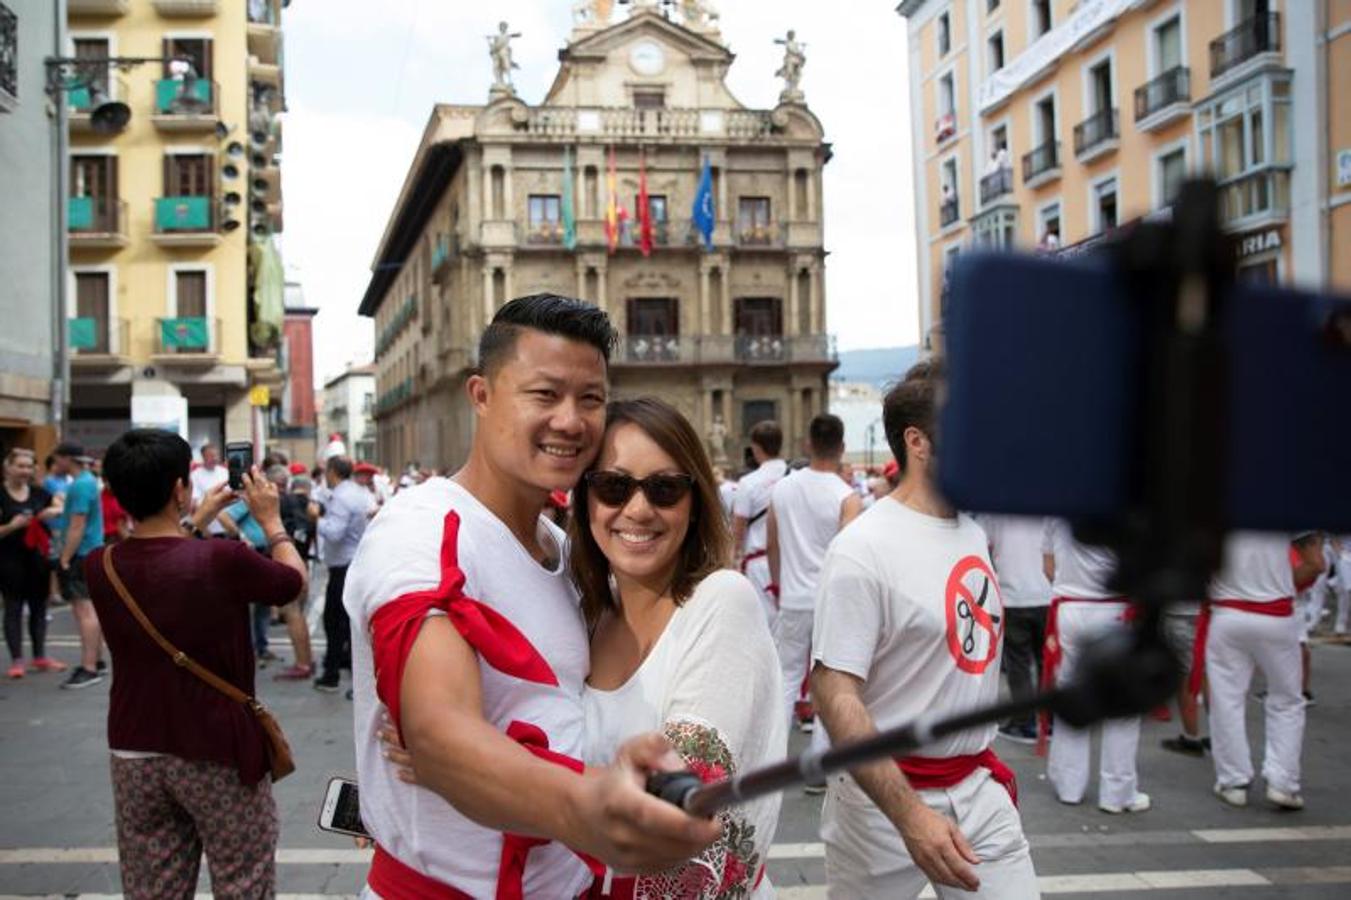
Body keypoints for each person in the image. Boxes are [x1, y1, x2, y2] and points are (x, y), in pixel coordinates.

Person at [343, 294, 719, 897]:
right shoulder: (422, 533)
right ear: (481, 396)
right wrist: (582, 803)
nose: (571, 421)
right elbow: (438, 733)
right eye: (544, 395)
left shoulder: (567, 550)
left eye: (590, 399)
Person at [811, 363, 1037, 898]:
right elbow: (833, 689)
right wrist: (910, 816)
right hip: (879, 808)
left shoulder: (974, 534)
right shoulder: (861, 549)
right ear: (918, 442)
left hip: (980, 791)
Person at [573, 397, 786, 896]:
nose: (638, 509)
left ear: (694, 506)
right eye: (613, 486)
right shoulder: (580, 616)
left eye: (665, 489)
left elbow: (684, 808)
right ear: (585, 500)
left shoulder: (722, 601)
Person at [83, 429, 306, 898]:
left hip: (134, 749)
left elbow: (156, 558)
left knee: (152, 887)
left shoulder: (100, 565)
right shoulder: (221, 558)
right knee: (242, 879)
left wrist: (194, 519)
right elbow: (292, 583)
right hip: (217, 748)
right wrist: (271, 522)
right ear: (179, 489)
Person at [1041, 518, 1149, 814]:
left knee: (1070, 695)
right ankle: (1117, 791)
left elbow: (1048, 567)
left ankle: (1069, 784)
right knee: (1123, 703)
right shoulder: (1122, 507)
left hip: (1070, 608)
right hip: (1113, 610)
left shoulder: (1055, 511)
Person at [1202, 531, 1310, 810]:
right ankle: (1283, 782)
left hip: (1228, 614)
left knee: (1226, 700)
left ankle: (1233, 780)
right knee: (1287, 701)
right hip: (1276, 616)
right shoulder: (1284, 505)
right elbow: (1314, 562)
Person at [767, 413, 860, 732]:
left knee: (786, 680)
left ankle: (772, 763)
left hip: (793, 597)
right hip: (830, 600)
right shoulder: (847, 497)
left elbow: (772, 545)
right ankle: (822, 770)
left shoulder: (782, 489)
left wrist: (779, 585)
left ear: (808, 444)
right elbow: (848, 557)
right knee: (829, 683)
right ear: (842, 447)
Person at [978, 515, 1051, 745]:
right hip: (1047, 592)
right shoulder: (1050, 501)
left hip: (1013, 594)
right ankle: (1047, 719)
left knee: (1018, 664)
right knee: (1045, 661)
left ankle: (1024, 721)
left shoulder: (996, 506)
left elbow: (982, 541)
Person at [1, 449, 65, 678]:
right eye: (20, 466)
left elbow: (60, 506)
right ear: (8, 467)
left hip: (38, 559)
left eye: (29, 467)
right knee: (13, 608)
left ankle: (40, 656)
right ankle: (17, 659)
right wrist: (11, 526)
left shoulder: (39, 493)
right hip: (9, 561)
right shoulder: (2, 495)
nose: (25, 471)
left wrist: (52, 511)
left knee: (39, 607)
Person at [310, 456, 372, 692]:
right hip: (353, 561)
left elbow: (334, 532)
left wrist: (317, 519)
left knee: (334, 622)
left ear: (333, 472)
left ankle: (332, 673)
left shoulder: (342, 497)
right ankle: (346, 664)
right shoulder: (356, 493)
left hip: (343, 566)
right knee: (347, 621)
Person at [53, 442, 107, 690]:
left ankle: (89, 667)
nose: (56, 463)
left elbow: (78, 524)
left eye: (58, 458)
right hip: (90, 550)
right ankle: (95, 661)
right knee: (91, 609)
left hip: (81, 553)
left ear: (67, 459)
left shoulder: (81, 484)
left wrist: (65, 557)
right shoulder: (87, 481)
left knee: (84, 610)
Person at [732, 421, 788, 627]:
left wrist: (733, 560)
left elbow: (738, 529)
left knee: (763, 625)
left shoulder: (749, 483)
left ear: (755, 448)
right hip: (792, 560)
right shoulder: (795, 476)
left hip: (759, 564)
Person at [218, 484, 280, 665]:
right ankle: (251, 650)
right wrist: (241, 536)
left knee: (263, 604)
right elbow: (224, 515)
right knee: (251, 605)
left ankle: (261, 647)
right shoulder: (248, 501)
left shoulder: (262, 502)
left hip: (264, 551)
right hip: (254, 552)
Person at [272, 466, 316, 680]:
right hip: (303, 560)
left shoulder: (284, 502)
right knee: (298, 612)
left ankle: (303, 663)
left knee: (292, 612)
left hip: (288, 561)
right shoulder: (310, 505)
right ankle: (307, 660)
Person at [190, 443, 229, 536]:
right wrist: (204, 530)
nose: (215, 458)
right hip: (207, 529)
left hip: (226, 527)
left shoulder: (225, 472)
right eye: (211, 456)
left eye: (216, 455)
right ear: (203, 457)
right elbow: (194, 504)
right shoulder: (195, 475)